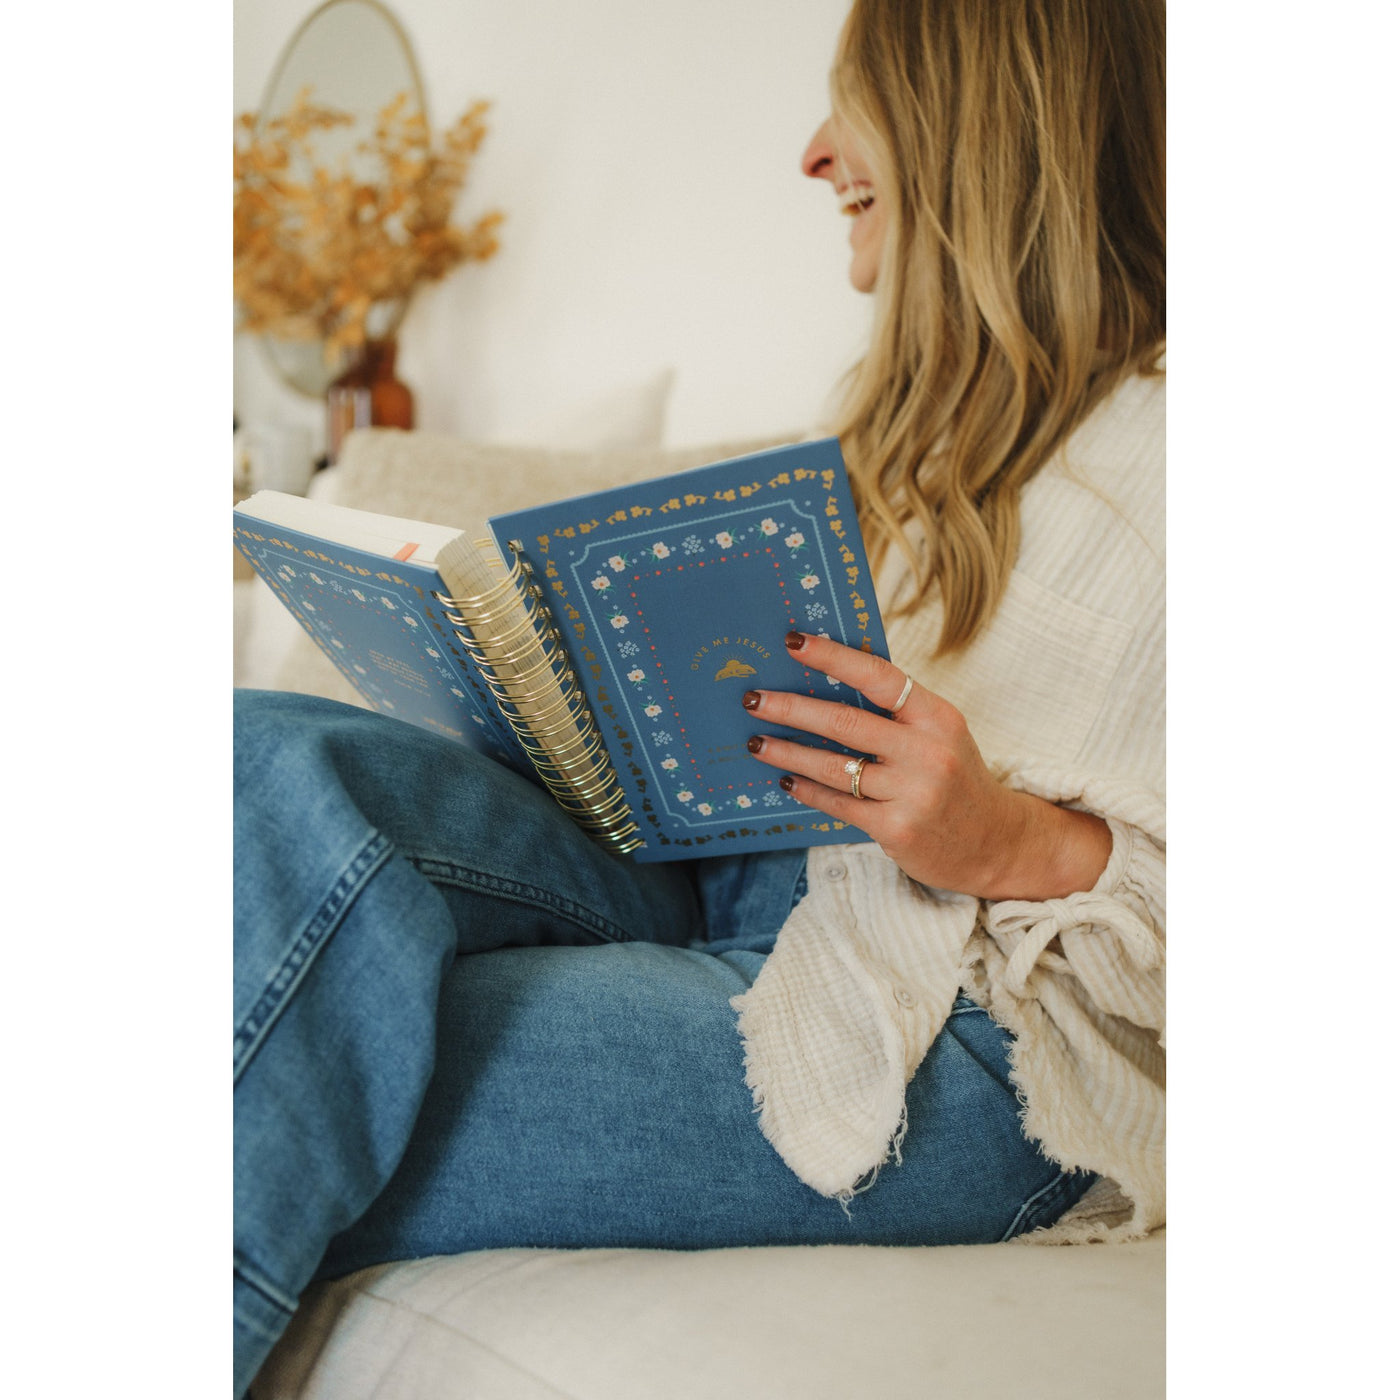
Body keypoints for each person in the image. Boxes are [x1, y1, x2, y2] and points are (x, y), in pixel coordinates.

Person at [233, 0, 1165, 1392]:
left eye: (854, 107)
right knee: (250, 758)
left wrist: (1018, 844)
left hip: (969, 1027)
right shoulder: (886, 433)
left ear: (980, 133)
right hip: (719, 884)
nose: (810, 154)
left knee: (286, 1057)